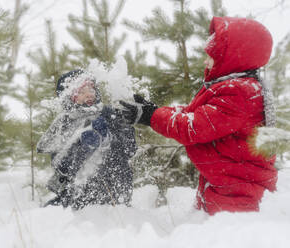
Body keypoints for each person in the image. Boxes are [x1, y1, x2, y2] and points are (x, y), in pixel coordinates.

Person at [119, 16, 278, 215]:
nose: (205, 60)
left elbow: (193, 127)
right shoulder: (241, 87)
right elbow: (196, 114)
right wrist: (154, 110)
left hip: (238, 196)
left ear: (231, 58)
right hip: (231, 185)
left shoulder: (239, 93)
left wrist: (151, 116)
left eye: (211, 55)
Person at [37, 69, 137, 210]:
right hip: (82, 197)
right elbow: (61, 166)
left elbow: (130, 149)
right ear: (70, 97)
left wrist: (123, 130)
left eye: (91, 89)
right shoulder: (65, 122)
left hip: (116, 189)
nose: (89, 94)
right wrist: (84, 147)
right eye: (82, 92)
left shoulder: (109, 114)